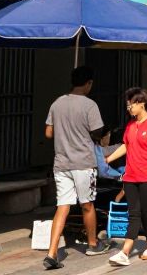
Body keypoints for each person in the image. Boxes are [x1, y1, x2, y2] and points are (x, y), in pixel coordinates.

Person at [43, 66, 108, 269]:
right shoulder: (90, 105)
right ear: (88, 83)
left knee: (63, 206)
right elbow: (98, 133)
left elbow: (48, 133)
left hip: (61, 163)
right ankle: (92, 244)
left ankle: (52, 252)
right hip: (83, 162)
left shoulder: (57, 103)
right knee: (87, 204)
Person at [106, 88, 147, 267]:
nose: (129, 108)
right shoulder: (131, 125)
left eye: (131, 104)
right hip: (131, 176)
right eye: (127, 105)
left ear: (141, 104)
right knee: (133, 213)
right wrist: (108, 159)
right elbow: (126, 146)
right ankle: (126, 251)